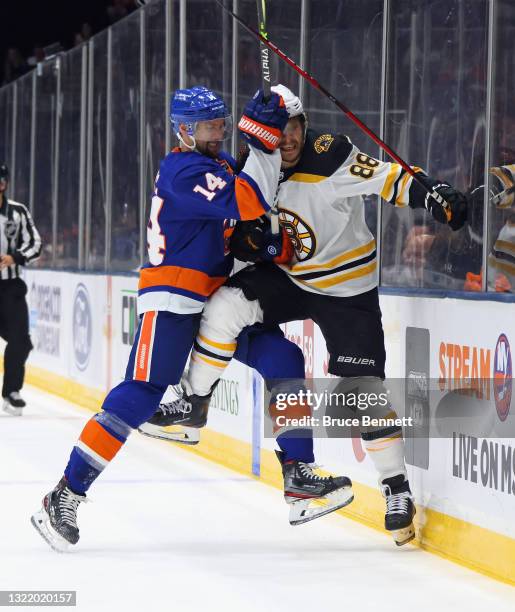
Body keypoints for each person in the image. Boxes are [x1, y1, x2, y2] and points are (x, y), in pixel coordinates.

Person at [30, 85, 349, 551]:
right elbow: (249, 201)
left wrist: (260, 236)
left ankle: (299, 475)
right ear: (183, 131)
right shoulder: (182, 170)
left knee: (283, 357)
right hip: (175, 296)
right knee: (138, 394)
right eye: (207, 127)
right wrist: (262, 138)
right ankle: (65, 494)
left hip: (217, 298)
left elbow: (249, 208)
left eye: (221, 124)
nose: (217, 133)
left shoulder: (214, 165)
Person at [147, 84, 468, 546]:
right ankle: (192, 403)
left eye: (295, 127)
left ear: (304, 125)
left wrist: (433, 195)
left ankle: (396, 489)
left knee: (362, 392)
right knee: (224, 307)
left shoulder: (330, 154)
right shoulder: (257, 163)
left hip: (346, 289)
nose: (289, 139)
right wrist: (250, 242)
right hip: (292, 279)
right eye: (280, 130)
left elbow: (387, 179)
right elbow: (236, 223)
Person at [0, 164, 41, 416]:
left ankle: (11, 391)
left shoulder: (17, 211)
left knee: (21, 341)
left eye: (3, 177)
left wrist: (15, 257)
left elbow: (35, 243)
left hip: (11, 288)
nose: (0, 182)